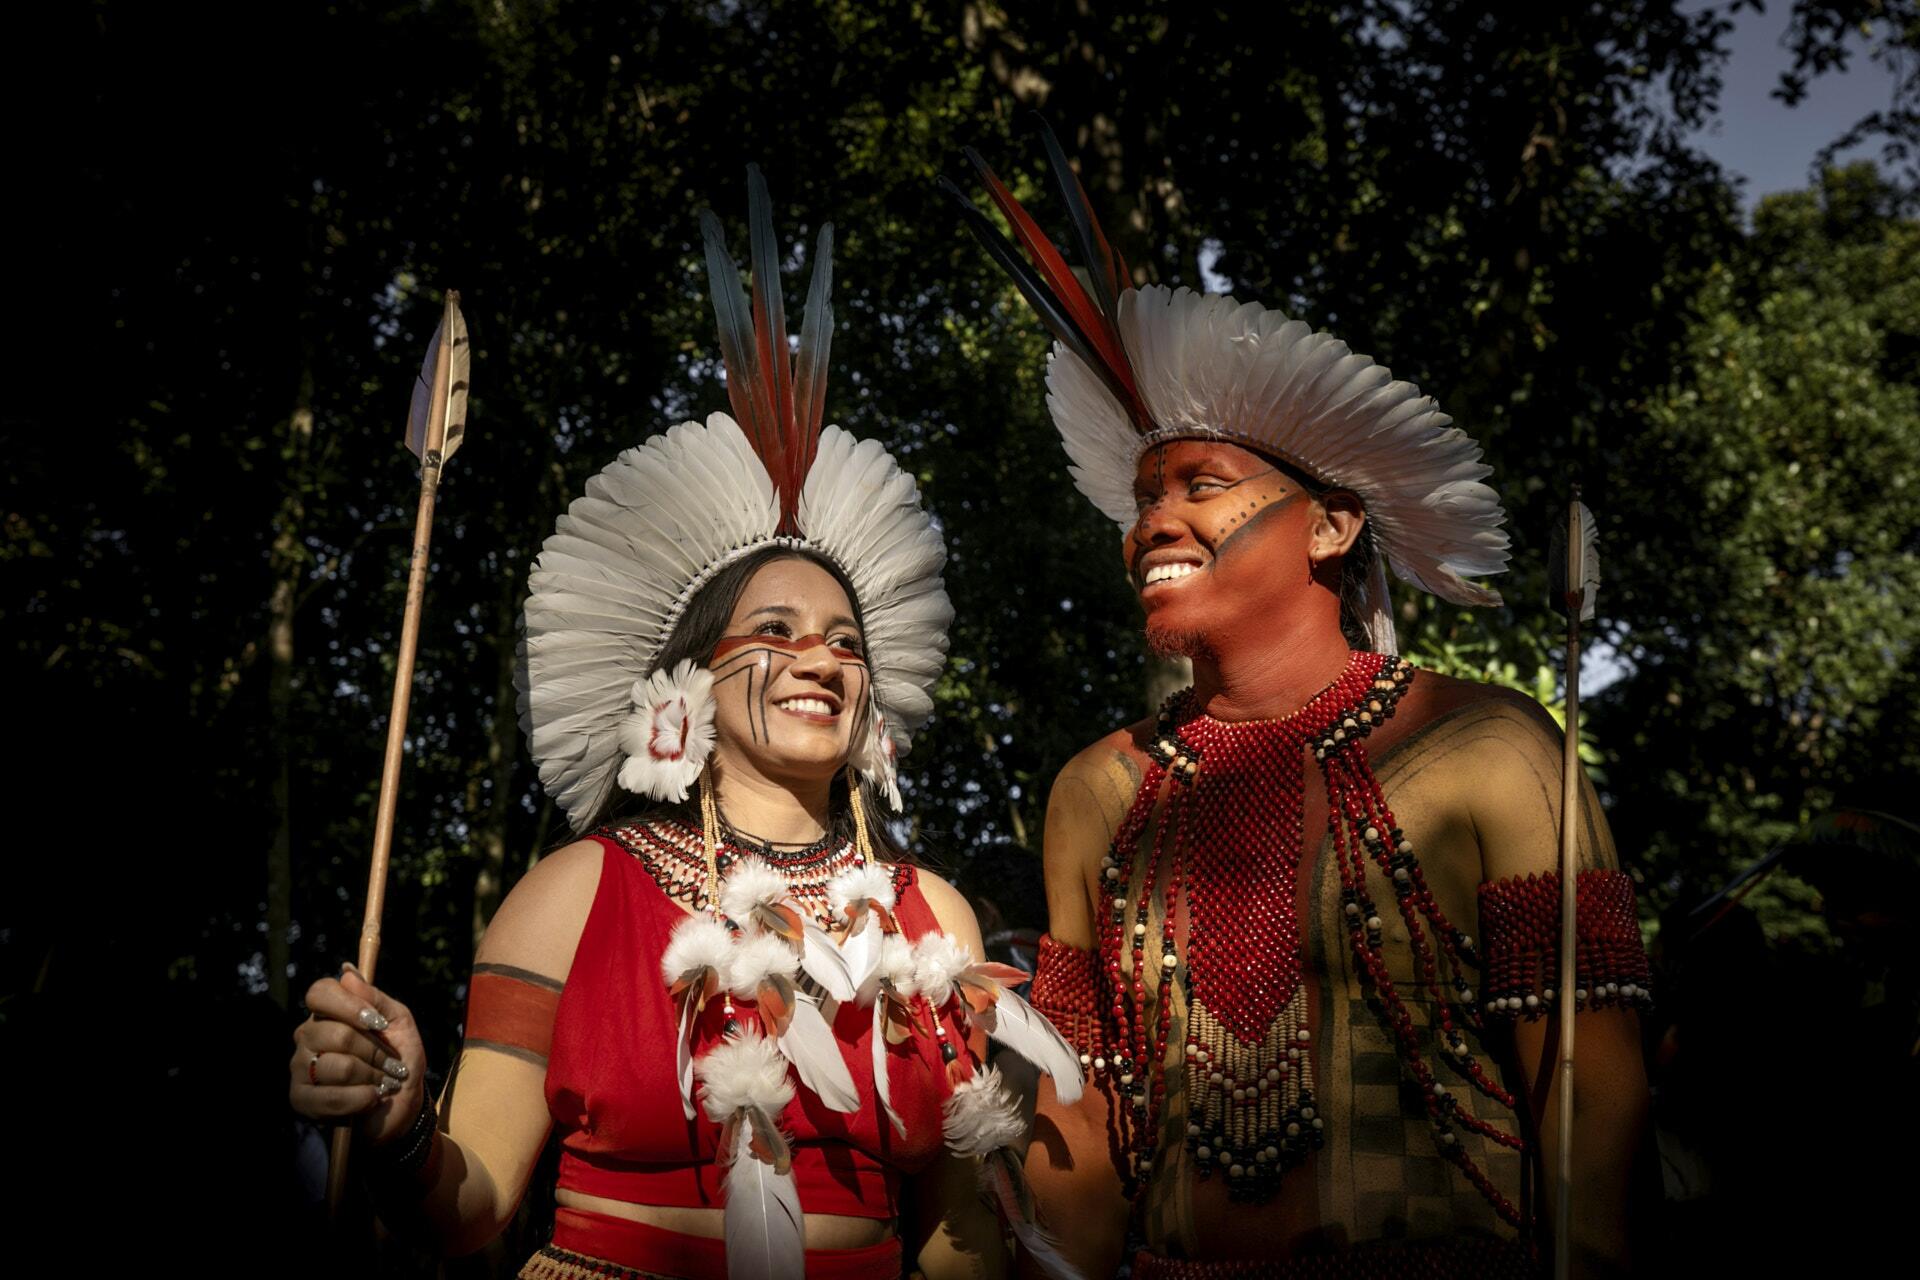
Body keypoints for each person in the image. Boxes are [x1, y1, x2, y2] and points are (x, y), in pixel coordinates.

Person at [288, 171, 1080, 1280]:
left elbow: (962, 1226)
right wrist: (402, 1121)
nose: (823, 657)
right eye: (777, 628)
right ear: (688, 684)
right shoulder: (573, 892)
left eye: (848, 640)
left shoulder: (926, 915)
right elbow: (464, 1209)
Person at [945, 131, 1653, 1277]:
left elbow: (1589, 1081)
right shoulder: (1098, 788)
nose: (1151, 525)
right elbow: (1080, 1129)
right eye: (1142, 499)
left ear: (1330, 524)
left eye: (1201, 485)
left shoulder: (1487, 748)